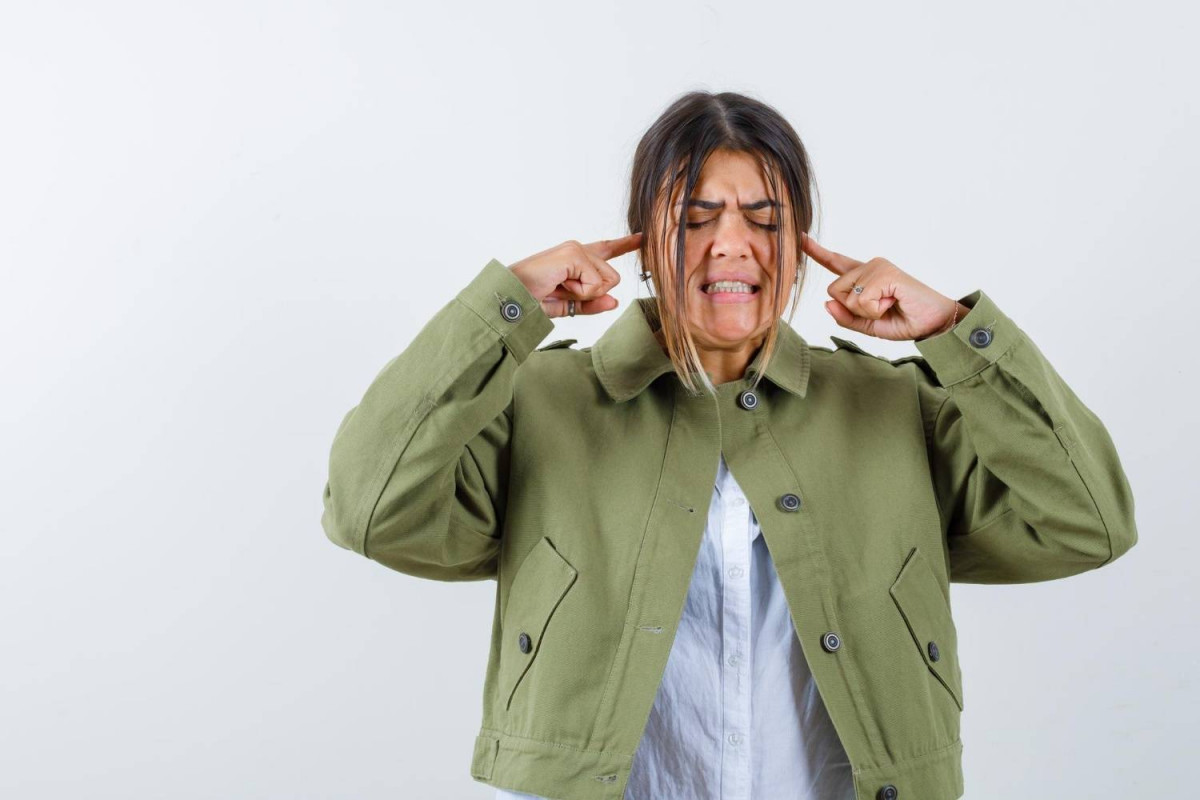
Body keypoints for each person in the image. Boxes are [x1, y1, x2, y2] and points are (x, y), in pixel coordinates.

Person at [320, 91, 1138, 800]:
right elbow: (366, 508)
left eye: (765, 218)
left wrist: (956, 335)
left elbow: (1087, 521)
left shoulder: (895, 407)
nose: (731, 243)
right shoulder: (539, 401)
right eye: (695, 216)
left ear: (802, 241)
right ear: (643, 240)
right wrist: (504, 309)